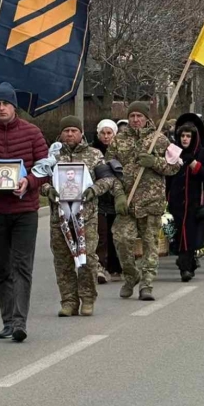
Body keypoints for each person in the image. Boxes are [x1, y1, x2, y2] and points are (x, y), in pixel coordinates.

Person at [0, 82, 49, 343]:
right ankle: (7, 320)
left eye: (6, 104)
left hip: (24, 209)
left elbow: (44, 166)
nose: (1, 108)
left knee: (22, 266)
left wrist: (30, 182)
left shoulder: (32, 133)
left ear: (14, 107)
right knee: (2, 267)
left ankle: (19, 321)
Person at [41, 116, 116, 317]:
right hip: (60, 218)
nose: (70, 134)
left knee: (87, 259)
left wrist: (94, 190)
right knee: (62, 260)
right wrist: (48, 189)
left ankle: (88, 298)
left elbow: (108, 179)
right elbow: (40, 179)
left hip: (86, 217)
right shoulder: (52, 157)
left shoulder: (94, 154)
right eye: (66, 131)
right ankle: (69, 301)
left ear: (81, 133)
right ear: (61, 134)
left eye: (74, 130)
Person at [107, 101, 179, 301]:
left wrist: (154, 162)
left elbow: (175, 166)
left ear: (147, 118)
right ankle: (131, 276)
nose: (136, 120)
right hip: (127, 202)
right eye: (132, 116)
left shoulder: (160, 139)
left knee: (150, 244)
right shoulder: (118, 141)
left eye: (139, 116)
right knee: (121, 239)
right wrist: (119, 194)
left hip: (151, 201)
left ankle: (147, 284)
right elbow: (108, 171)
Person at [166, 113, 204, 282]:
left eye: (188, 136)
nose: (185, 139)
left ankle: (185, 267)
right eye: (182, 136)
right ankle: (187, 261)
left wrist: (194, 164)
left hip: (195, 202)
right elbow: (166, 176)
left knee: (191, 234)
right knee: (179, 235)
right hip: (176, 201)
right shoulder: (173, 151)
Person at [91, 119, 123, 283]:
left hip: (116, 199)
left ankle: (115, 267)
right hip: (98, 200)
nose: (106, 136)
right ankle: (99, 267)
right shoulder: (93, 152)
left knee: (115, 235)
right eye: (103, 133)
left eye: (109, 133)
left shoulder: (120, 150)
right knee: (101, 235)